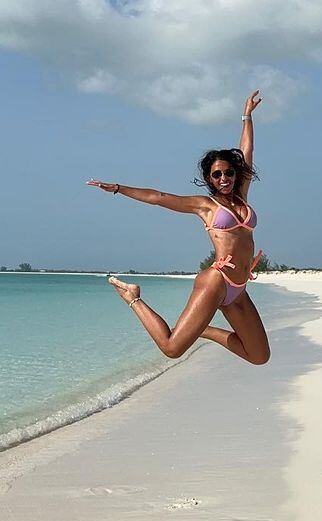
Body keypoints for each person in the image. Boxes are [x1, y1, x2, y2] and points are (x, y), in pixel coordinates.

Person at [86, 90, 270, 365]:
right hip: (216, 281)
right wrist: (119, 189)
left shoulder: (242, 196)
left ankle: (203, 330)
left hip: (239, 286)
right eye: (217, 174)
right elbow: (159, 198)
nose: (224, 178)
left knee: (259, 356)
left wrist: (246, 117)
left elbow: (246, 152)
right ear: (209, 179)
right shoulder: (205, 205)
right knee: (172, 348)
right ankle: (133, 297)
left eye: (229, 172)